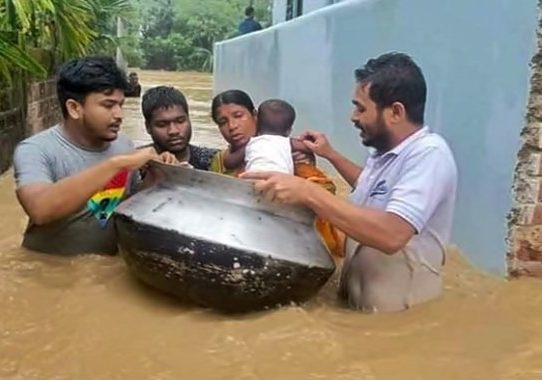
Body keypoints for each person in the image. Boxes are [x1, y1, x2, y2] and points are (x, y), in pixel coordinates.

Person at [243, 52, 458, 312]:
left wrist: (308, 192)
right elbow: (372, 191)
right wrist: (330, 154)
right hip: (360, 311)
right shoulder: (385, 154)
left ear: (396, 112)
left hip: (395, 324)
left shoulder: (429, 154)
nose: (353, 117)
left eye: (361, 108)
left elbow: (392, 234)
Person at [12, 56, 163, 255]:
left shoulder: (123, 145)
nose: (119, 115)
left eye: (121, 104)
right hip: (47, 271)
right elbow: (40, 209)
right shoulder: (35, 149)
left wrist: (158, 178)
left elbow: (123, 208)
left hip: (102, 272)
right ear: (74, 108)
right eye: (108, 105)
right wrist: (117, 165)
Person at [141, 86, 218, 170]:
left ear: (189, 119)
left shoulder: (212, 161)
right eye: (162, 125)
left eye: (180, 121)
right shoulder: (136, 164)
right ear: (148, 127)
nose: (173, 131)